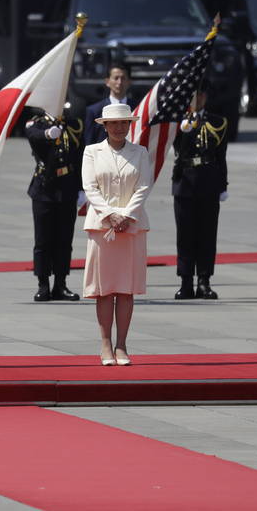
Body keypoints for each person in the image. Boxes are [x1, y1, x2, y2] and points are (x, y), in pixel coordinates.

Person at [81, 103, 152, 366]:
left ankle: (122, 344)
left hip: (131, 225)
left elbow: (144, 185)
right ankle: (105, 343)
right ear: (105, 126)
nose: (119, 128)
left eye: (124, 123)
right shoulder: (92, 151)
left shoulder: (140, 152)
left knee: (126, 288)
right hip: (102, 225)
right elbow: (90, 186)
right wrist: (110, 214)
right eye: (114, 123)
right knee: (104, 289)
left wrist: (126, 215)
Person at [171, 85, 228, 299]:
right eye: (194, 95)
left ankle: (204, 281)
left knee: (207, 234)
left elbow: (220, 157)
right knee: (185, 235)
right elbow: (177, 149)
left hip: (208, 182)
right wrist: (184, 130)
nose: (198, 98)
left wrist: (223, 185)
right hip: (185, 181)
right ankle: (186, 281)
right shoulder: (179, 122)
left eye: (201, 94)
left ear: (205, 96)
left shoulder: (217, 122)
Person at [25, 111, 83, 301]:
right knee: (43, 239)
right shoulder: (37, 122)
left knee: (64, 239)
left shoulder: (73, 122)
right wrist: (48, 134)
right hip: (44, 186)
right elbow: (32, 135)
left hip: (67, 186)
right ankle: (43, 285)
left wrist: (82, 188)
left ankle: (61, 284)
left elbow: (79, 155)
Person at [84, 63, 139, 146]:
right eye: (116, 78)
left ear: (129, 82)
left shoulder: (138, 109)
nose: (119, 82)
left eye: (123, 78)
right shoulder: (94, 111)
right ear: (107, 82)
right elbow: (89, 143)